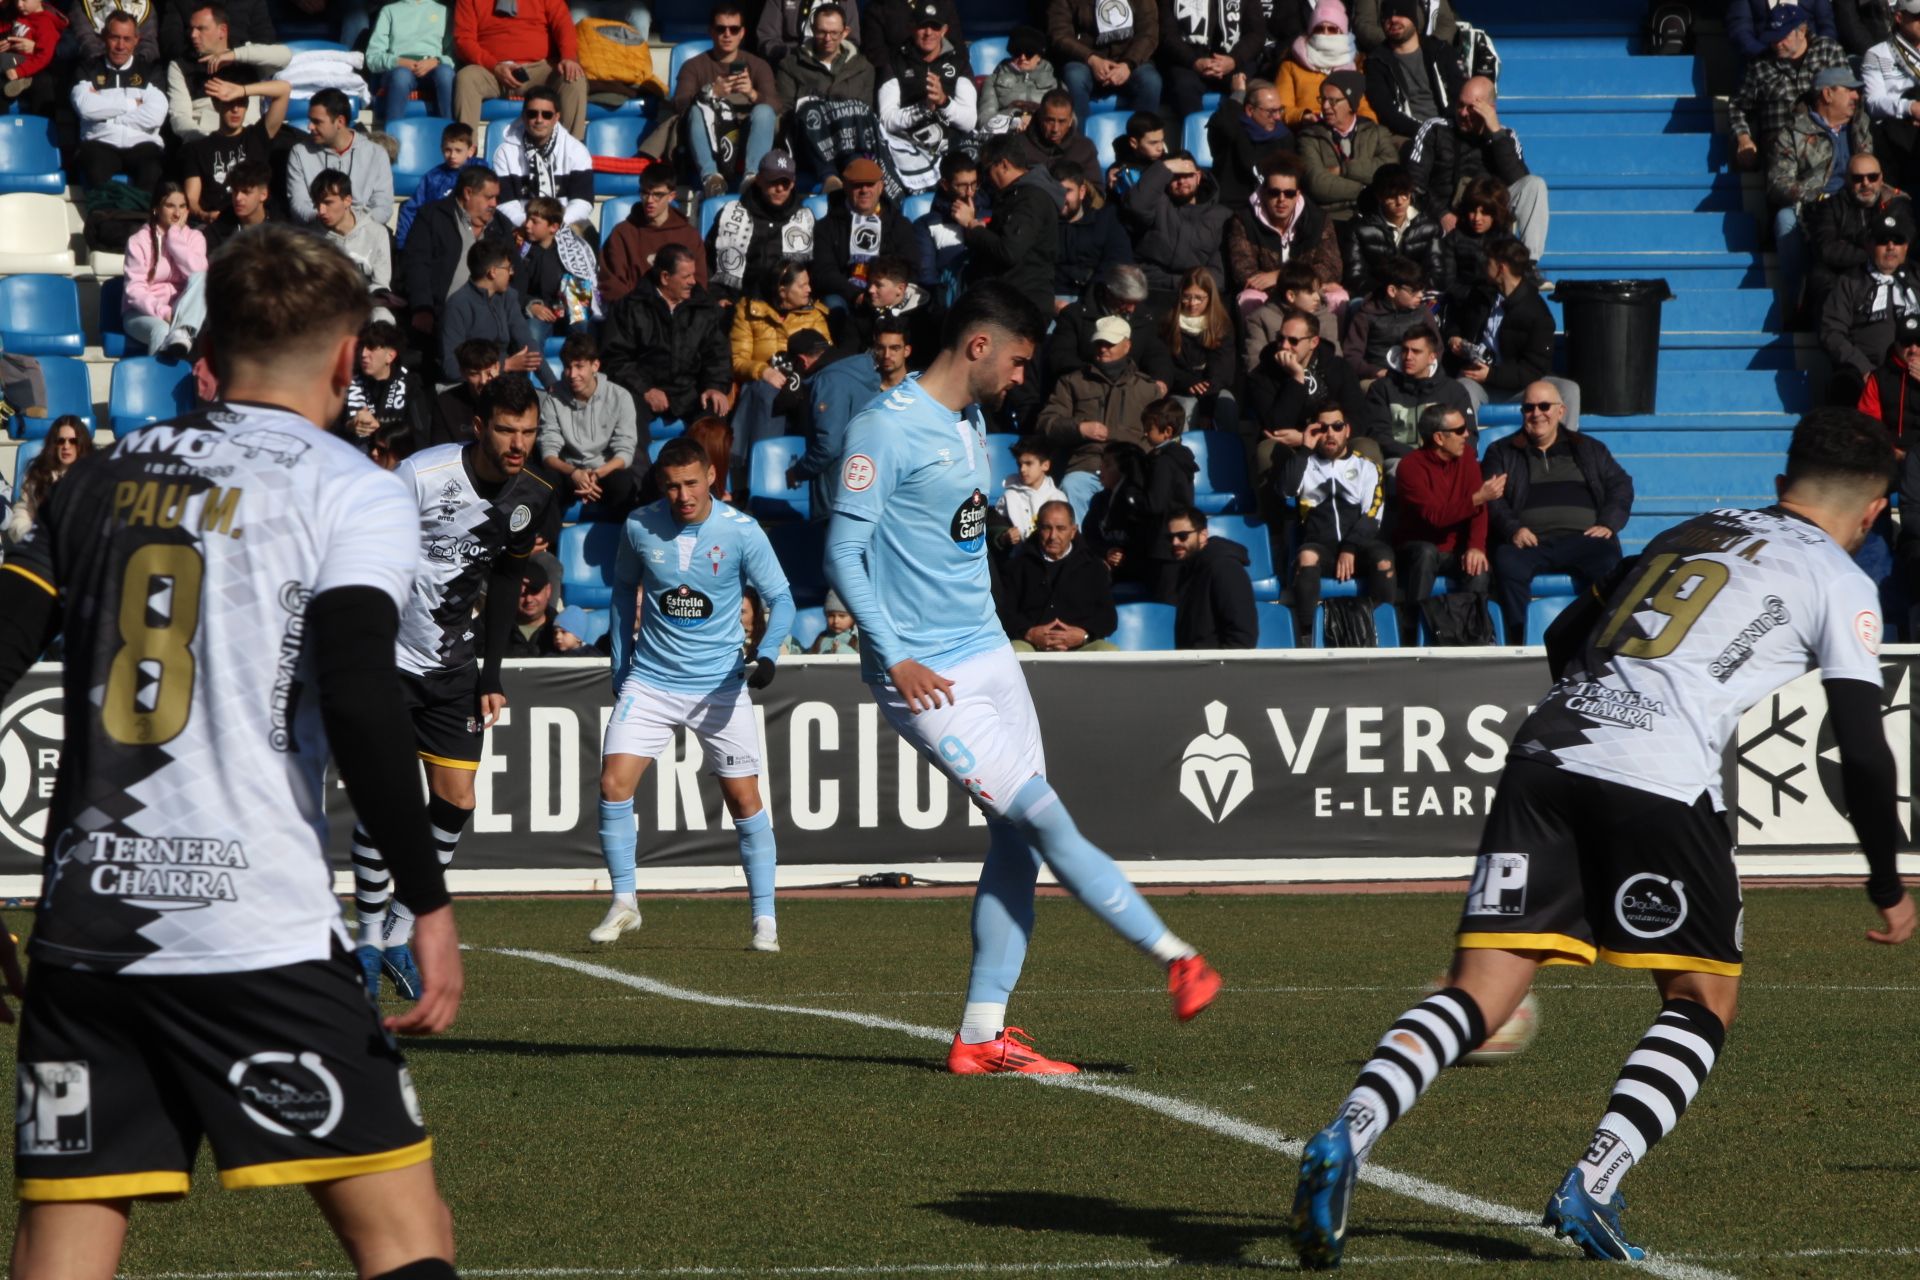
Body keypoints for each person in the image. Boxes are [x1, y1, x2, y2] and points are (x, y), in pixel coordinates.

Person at [1289, 407, 1913, 1268]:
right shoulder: (1840, 580)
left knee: (1480, 991)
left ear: (1781, 483)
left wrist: (1597, 721)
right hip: (1658, 776)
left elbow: (1562, 634)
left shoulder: (1695, 528)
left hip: (1549, 748)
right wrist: (1888, 881)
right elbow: (1864, 749)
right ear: (1875, 510)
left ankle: (1348, 1132)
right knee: (1702, 999)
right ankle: (1595, 1179)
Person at [0, 223, 464, 1279]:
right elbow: (356, 690)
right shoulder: (349, 487)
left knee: (63, 1250)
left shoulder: (86, 482)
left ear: (209, 342)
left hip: (87, 936)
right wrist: (425, 902)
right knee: (409, 1236)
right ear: (349, 357)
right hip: (254, 931)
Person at [823, 280, 1222, 1073]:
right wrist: (895, 654)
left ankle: (979, 1035)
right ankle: (1175, 955)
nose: (1019, 380)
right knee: (1045, 816)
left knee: (1020, 839)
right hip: (927, 674)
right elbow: (840, 552)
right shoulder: (882, 430)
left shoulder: (971, 420)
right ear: (977, 346)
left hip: (988, 653)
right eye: (1015, 362)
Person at [350, 371, 555, 1000]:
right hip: (387, 655)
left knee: (458, 802)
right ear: (478, 425)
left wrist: (492, 674)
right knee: (384, 801)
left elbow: (504, 583)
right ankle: (363, 942)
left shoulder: (532, 493)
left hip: (453, 664)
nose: (517, 443)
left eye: (527, 431)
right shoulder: (420, 474)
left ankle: (395, 933)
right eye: (505, 429)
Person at [590, 437, 794, 949]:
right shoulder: (639, 526)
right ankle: (624, 902)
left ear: (711, 478)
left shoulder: (742, 531)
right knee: (614, 784)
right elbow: (621, 592)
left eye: (691, 483)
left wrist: (767, 653)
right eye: (672, 485)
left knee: (744, 801)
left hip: (719, 686)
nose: (682, 495)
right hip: (652, 682)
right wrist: (621, 662)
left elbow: (781, 598)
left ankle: (764, 919)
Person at [1483, 382, 1633, 642]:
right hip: (1530, 542)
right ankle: (1519, 639)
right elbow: (1493, 500)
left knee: (1609, 561)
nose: (1536, 414)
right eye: (1529, 407)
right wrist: (1513, 529)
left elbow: (1621, 485)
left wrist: (1609, 523)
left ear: (1561, 411)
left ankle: (1602, 641)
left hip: (1583, 540)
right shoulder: (1502, 451)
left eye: (1544, 406)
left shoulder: (1589, 448)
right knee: (1506, 560)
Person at [1278, 402, 1392, 643]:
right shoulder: (1305, 463)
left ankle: (1382, 630)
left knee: (1384, 561)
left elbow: (1373, 516)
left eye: (1337, 426)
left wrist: (1350, 547)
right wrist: (1304, 449)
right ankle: (1307, 634)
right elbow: (1287, 490)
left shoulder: (1367, 466)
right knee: (1306, 556)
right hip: (1321, 547)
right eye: (1322, 428)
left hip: (1359, 548)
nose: (1330, 433)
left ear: (1347, 430)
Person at [1447, 237, 1582, 430]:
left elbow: (1534, 369)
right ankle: (1466, 454)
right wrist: (1454, 338)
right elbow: (1454, 319)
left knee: (1569, 390)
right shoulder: (1479, 293)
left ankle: (1563, 453)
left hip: (1519, 384)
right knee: (1461, 389)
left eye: (1488, 262)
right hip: (1478, 380)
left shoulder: (1537, 313)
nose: (1484, 266)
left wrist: (1492, 375)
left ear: (1501, 268)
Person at [1039, 314, 1163, 523]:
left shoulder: (1148, 389)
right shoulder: (1073, 382)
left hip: (1130, 472)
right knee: (1072, 485)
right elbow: (1047, 424)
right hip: (1085, 466)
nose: (1103, 348)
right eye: (1099, 343)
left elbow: (1159, 437)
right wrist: (1080, 428)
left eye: (1110, 343)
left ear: (1127, 345)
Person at [602, 243, 733, 433]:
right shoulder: (630, 307)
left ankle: (703, 463)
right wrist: (645, 390)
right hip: (643, 392)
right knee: (625, 415)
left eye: (693, 275)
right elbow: (614, 359)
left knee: (716, 413)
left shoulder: (705, 309)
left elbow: (718, 357)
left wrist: (714, 386)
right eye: (686, 276)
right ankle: (636, 464)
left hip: (691, 394)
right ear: (665, 277)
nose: (693, 282)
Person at [1770, 66, 1871, 311]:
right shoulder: (1793, 132)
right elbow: (1778, 181)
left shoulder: (1860, 124)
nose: (1856, 97)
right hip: (1813, 205)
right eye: (1849, 91)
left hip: (1856, 201)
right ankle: (1795, 299)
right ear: (1827, 94)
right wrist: (1815, 197)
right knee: (1785, 221)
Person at [789, 316, 911, 515]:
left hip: (837, 493)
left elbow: (828, 446)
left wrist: (798, 471)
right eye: (881, 347)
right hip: (870, 489)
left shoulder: (829, 380)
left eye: (894, 348)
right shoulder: (862, 376)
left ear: (801, 361)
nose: (887, 355)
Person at [1424, 76, 1550, 261]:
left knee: (1535, 185)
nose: (1463, 113)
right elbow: (1414, 181)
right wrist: (1442, 213)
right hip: (1446, 209)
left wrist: (1496, 135)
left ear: (1490, 109)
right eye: (1460, 105)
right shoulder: (1436, 128)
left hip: (1489, 208)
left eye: (1472, 108)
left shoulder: (1505, 135)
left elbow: (1519, 181)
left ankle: (1527, 266)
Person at [1394, 402, 1495, 623]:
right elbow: (1435, 516)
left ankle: (1471, 631)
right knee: (1426, 552)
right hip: (1416, 548)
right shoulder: (1410, 467)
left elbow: (1479, 511)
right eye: (1459, 431)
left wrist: (1476, 546)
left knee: (1478, 565)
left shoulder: (1466, 456)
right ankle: (1412, 629)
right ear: (1439, 438)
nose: (1467, 434)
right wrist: (1478, 498)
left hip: (1454, 549)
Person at [1247, 305, 1365, 491]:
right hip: (1289, 448)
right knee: (1267, 450)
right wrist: (1296, 379)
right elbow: (1276, 428)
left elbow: (1359, 418)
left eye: (1293, 341)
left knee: (1367, 447)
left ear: (1313, 342)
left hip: (1333, 440)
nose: (1284, 346)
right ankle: (1275, 518)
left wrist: (1308, 438)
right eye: (1280, 338)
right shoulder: (1263, 374)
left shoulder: (1338, 368)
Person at [674, 3, 780, 197]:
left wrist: (752, 93)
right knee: (696, 110)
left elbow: (776, 107)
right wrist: (711, 92)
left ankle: (751, 179)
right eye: (721, 29)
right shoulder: (693, 66)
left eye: (734, 29)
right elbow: (680, 104)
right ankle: (711, 178)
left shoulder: (758, 65)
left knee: (764, 111)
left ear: (742, 33)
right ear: (711, 32)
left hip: (747, 136)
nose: (727, 34)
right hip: (710, 134)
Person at [1730, 6, 1849, 172]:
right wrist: (1744, 139)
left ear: (1802, 31)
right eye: (1772, 39)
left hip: (1827, 149)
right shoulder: (1760, 65)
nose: (1777, 44)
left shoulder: (1828, 52)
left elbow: (1850, 99)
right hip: (1782, 156)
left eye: (1783, 37)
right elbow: (1738, 107)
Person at [956, 132, 1062, 319]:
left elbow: (1009, 251)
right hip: (1010, 301)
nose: (987, 178)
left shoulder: (1030, 198)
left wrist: (973, 226)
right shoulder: (1016, 195)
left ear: (1004, 164)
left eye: (987, 169)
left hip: (1022, 306)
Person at [777, 3, 882, 186]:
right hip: (808, 144)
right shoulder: (790, 65)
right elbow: (785, 114)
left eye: (834, 33)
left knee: (857, 113)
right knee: (809, 110)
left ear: (845, 32)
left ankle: (854, 170)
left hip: (851, 142)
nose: (828, 38)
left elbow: (865, 113)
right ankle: (829, 177)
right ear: (812, 30)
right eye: (822, 32)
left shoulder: (863, 68)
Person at [1819, 209, 1920, 403]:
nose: (1891, 247)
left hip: (1915, 371)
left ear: (1906, 247)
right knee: (1845, 384)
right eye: (1883, 241)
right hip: (1865, 375)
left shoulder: (1917, 279)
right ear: (1869, 245)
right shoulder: (1849, 282)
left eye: (1897, 241)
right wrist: (1862, 367)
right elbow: (1831, 331)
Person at [539, 331, 643, 516]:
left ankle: (620, 538)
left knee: (624, 483)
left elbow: (625, 451)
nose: (572, 374)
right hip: (569, 471)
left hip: (605, 470)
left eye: (579, 366)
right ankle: (550, 542)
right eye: (568, 367)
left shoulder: (620, 397)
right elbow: (548, 453)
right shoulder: (553, 400)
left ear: (595, 365)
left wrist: (597, 474)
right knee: (546, 482)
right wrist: (574, 473)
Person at [452, 0, 587, 142]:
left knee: (573, 77)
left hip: (539, 69)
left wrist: (568, 57)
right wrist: (495, 66)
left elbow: (563, 25)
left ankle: (570, 155)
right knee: (466, 78)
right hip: (491, 72)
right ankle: (465, 154)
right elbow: (464, 40)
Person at [876, 2, 976, 193]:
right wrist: (922, 109)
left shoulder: (959, 62)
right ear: (911, 27)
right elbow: (886, 120)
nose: (928, 33)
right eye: (922, 26)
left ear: (944, 30)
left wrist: (943, 102)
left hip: (952, 145)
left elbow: (969, 121)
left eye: (935, 27)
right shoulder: (895, 62)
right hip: (909, 146)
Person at [1225, 156, 1345, 314]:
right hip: (1268, 295)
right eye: (1274, 193)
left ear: (1297, 194)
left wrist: (1280, 276)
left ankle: (1327, 340)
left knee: (1338, 297)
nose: (1282, 200)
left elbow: (1331, 267)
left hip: (1308, 291)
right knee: (1248, 297)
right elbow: (1245, 273)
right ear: (1263, 192)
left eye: (1289, 193)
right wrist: (1293, 287)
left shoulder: (1318, 219)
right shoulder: (1244, 220)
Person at [405, 166, 517, 331]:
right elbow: (416, 266)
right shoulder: (432, 217)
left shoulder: (501, 225)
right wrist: (422, 308)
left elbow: (517, 272)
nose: (494, 203)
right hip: (440, 315)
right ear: (468, 193)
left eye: (496, 197)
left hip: (490, 317)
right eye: (489, 197)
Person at [999, 499, 1120, 650]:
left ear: (1073, 531)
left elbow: (1108, 617)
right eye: (1046, 528)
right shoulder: (1018, 566)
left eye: (1061, 528)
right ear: (1037, 529)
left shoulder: (1094, 567)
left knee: (1108, 652)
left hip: (1080, 647)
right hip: (1031, 644)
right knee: (1016, 653)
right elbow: (1005, 613)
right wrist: (1029, 633)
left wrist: (1083, 634)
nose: (1053, 536)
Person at [70, 11, 166, 194]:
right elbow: (86, 108)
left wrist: (108, 117)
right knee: (94, 168)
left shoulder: (151, 70)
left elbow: (155, 116)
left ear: (137, 40)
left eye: (127, 39)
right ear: (104, 37)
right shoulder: (87, 68)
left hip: (142, 145)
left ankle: (140, 220)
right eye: (115, 38)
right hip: (100, 143)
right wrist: (132, 104)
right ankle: (106, 221)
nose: (121, 46)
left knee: (153, 169)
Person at [165, 1, 289, 143]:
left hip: (248, 140)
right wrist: (209, 142)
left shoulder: (245, 57)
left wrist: (233, 55)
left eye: (201, 29)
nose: (193, 35)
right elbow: (180, 118)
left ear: (222, 31)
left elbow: (285, 57)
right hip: (206, 142)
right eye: (192, 29)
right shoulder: (181, 66)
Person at [1806, 153, 1912, 312]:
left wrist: (1857, 248)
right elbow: (1827, 249)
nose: (1866, 183)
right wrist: (1873, 254)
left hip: (1889, 274)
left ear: (1881, 178)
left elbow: (1905, 245)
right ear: (1847, 179)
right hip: (1844, 276)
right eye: (1858, 178)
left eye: (1872, 177)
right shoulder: (1831, 206)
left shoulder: (1897, 205)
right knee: (1822, 278)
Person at [706, 149, 815, 301]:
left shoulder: (806, 219)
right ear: (759, 179)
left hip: (789, 307)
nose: (779, 189)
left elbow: (815, 271)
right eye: (773, 181)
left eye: (785, 182)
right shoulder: (730, 214)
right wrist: (718, 297)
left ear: (793, 184)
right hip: (738, 306)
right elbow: (708, 262)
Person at [182, 71, 289, 225]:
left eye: (241, 103)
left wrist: (242, 90)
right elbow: (192, 199)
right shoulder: (197, 149)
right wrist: (204, 215)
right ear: (216, 105)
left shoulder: (257, 136)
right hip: (220, 224)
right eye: (229, 103)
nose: (236, 110)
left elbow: (284, 89)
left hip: (259, 223)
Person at [1359, 321, 1473, 465]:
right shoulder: (1381, 389)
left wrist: (1439, 458)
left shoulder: (1454, 391)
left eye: (1416, 351)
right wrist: (1420, 458)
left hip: (1444, 462)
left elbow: (1469, 436)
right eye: (1405, 350)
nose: (1408, 357)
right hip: (1400, 460)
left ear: (1432, 357)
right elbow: (1379, 435)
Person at [1296, 69, 1400, 226]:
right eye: (1322, 99)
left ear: (1351, 104)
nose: (1324, 106)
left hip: (1375, 216)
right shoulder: (1310, 137)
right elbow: (1317, 183)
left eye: (1332, 101)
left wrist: (1344, 170)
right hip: (1330, 219)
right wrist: (1368, 190)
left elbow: (1390, 170)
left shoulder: (1377, 133)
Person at [1129, 151, 1234, 298]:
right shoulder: (1157, 204)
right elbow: (1137, 205)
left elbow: (1218, 276)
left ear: (1198, 177)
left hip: (1197, 296)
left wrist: (1188, 286)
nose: (1182, 182)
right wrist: (1163, 167)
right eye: (1175, 176)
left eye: (1187, 175)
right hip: (1151, 289)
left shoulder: (1222, 216)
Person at [1050, 261, 1176, 384]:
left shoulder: (1144, 317)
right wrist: (1092, 377)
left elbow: (1157, 355)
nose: (1131, 309)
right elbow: (1060, 355)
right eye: (1125, 301)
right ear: (1109, 292)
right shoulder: (1075, 315)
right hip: (1085, 387)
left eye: (1136, 303)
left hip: (1129, 389)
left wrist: (1161, 380)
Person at [287, 88, 396, 229]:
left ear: (340, 121)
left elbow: (383, 206)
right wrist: (329, 219)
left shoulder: (376, 153)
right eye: (310, 120)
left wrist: (352, 225)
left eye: (317, 122)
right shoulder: (300, 153)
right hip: (318, 232)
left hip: (364, 231)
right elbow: (299, 205)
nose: (310, 127)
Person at [439, 240, 544, 387]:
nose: (512, 272)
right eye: (508, 268)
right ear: (493, 272)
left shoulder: (507, 296)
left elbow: (526, 342)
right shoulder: (457, 306)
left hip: (505, 383)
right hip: (472, 388)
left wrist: (552, 384)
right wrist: (505, 365)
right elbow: (450, 367)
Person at [814, 157, 916, 306]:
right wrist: (855, 294)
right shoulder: (826, 226)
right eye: (858, 185)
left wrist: (884, 292)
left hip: (887, 296)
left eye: (870, 184)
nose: (864, 190)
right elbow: (824, 271)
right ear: (846, 187)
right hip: (845, 296)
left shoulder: (899, 225)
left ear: (881, 187)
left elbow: (911, 266)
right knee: (834, 304)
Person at [489, 85, 594, 229]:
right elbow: (505, 203)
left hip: (562, 226)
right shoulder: (504, 152)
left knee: (588, 231)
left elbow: (583, 201)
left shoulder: (576, 150)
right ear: (524, 116)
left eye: (546, 115)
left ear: (556, 117)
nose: (539, 120)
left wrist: (555, 225)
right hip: (522, 227)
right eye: (532, 114)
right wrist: (529, 225)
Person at [122, 184, 207, 356]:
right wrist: (164, 312)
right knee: (161, 330)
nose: (177, 213)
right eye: (170, 206)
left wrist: (175, 238)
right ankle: (158, 381)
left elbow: (198, 275)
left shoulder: (195, 238)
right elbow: (134, 290)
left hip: (183, 312)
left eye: (182, 206)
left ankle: (182, 333)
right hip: (142, 312)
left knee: (205, 278)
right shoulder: (138, 241)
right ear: (156, 209)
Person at [602, 167, 707, 306]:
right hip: (634, 315)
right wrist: (638, 310)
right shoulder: (623, 233)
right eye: (645, 193)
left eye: (658, 194)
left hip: (678, 316)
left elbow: (698, 283)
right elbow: (611, 282)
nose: (650, 200)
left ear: (671, 196)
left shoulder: (689, 235)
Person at [1362, 0, 1463, 143]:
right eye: (1387, 16)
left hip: (1449, 127)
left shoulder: (1440, 51)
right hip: (1407, 135)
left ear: (1414, 19)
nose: (1393, 20)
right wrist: (1425, 132)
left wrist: (1446, 129)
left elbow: (1459, 93)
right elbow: (1387, 113)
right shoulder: (1376, 63)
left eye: (1401, 14)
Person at [1048, 0, 1163, 124]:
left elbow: (1148, 33)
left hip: (1129, 62)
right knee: (1074, 77)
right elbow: (1059, 35)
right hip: (1086, 61)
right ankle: (1079, 139)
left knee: (1151, 81)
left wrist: (1128, 64)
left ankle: (1143, 136)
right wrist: (1091, 58)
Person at [1345, 163, 1448, 297]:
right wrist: (1391, 295)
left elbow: (1437, 272)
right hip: (1377, 299)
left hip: (1418, 297)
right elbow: (1355, 277)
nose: (1400, 202)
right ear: (1379, 196)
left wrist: (1412, 293)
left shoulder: (1429, 226)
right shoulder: (1359, 229)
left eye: (1404, 194)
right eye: (1391, 196)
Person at [1160, 266, 1239, 434]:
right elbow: (1164, 363)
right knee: (1186, 408)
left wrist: (1206, 403)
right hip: (1181, 387)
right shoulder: (1168, 323)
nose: (1192, 303)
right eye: (1187, 297)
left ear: (1210, 298)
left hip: (1213, 388)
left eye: (1199, 298)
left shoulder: (1221, 326)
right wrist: (1188, 382)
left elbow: (1223, 369)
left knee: (1226, 404)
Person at [312, 171, 397, 324]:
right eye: (317, 204)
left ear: (347, 201)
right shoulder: (310, 237)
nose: (321, 210)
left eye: (328, 202)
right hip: (324, 309)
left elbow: (381, 283)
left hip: (366, 305)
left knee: (384, 319)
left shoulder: (377, 232)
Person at [1159, 0, 1267, 121]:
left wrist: (1234, 60)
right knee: (1183, 88)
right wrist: (1194, 61)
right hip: (1188, 63)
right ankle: (1198, 136)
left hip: (1233, 60)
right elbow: (1167, 34)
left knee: (1251, 89)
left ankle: (1238, 136)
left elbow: (1256, 34)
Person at [731, 259, 833, 385]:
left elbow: (827, 357)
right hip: (761, 385)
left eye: (808, 283)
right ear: (783, 292)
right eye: (802, 286)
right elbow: (737, 360)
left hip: (803, 386)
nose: (809, 289)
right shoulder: (748, 312)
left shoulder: (814, 315)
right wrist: (763, 371)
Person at [516, 195, 599, 348]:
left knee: (583, 325)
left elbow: (585, 280)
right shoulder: (522, 251)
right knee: (532, 333)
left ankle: (580, 367)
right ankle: (535, 372)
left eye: (534, 222)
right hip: (539, 311)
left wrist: (578, 298)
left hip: (569, 309)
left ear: (553, 227)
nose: (527, 225)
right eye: (527, 219)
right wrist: (531, 305)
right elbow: (514, 288)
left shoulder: (573, 250)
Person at [1169, 504, 1257, 647]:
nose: (1175, 542)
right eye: (1170, 537)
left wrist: (1219, 668)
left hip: (1216, 667)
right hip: (1194, 666)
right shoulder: (1188, 570)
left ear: (1203, 535)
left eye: (1182, 536)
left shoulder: (1225, 568)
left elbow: (1242, 636)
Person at [1053, 157, 1136, 305]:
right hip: (1051, 300)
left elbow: (1118, 262)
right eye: (1056, 191)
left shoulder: (1106, 219)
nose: (1061, 198)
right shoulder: (1042, 221)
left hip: (1095, 301)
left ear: (1082, 191)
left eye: (1067, 191)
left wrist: (1088, 301)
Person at [1276, 0, 1372, 127]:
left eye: (1332, 29)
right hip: (1308, 131)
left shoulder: (1356, 64)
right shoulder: (1291, 66)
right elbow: (1280, 108)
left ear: (1342, 33)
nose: (1325, 33)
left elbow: (1365, 109)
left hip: (1348, 133)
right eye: (1319, 28)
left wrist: (1360, 127)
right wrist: (1302, 115)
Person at [1203, 80, 1294, 211]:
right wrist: (1238, 94)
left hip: (1271, 208)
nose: (1278, 117)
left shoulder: (1284, 136)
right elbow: (1222, 124)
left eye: (1280, 110)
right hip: (1233, 207)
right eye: (1271, 111)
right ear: (1250, 110)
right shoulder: (1232, 131)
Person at [1344, 252, 1435, 380]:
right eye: (1414, 291)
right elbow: (1352, 356)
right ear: (1392, 291)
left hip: (1419, 377)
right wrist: (1376, 372)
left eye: (1422, 290)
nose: (1420, 295)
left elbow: (1436, 349)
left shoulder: (1423, 313)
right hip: (1379, 379)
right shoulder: (1367, 314)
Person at [342, 319, 429, 453]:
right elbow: (330, 428)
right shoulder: (347, 381)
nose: (364, 354)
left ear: (390, 356)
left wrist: (382, 427)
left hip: (397, 458)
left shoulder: (410, 385)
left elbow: (420, 434)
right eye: (362, 347)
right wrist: (352, 425)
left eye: (371, 347)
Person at [2, 414, 89, 546]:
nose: (66, 446)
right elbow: (22, 513)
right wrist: (30, 537)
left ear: (81, 444)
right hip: (43, 549)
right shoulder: (38, 475)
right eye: (61, 441)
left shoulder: (94, 476)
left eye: (73, 441)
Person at [1862, 0, 1920, 191]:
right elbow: (1873, 102)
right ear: (1899, 17)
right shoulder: (1877, 54)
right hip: (1898, 129)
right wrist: (1909, 107)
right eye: (1917, 17)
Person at [366, 0, 455, 121]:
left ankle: (450, 132)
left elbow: (453, 56)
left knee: (445, 74)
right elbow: (372, 57)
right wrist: (398, 62)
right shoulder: (389, 11)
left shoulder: (444, 11)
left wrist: (436, 61)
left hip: (432, 67)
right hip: (398, 69)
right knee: (401, 76)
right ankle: (392, 136)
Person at [397, 122, 481, 249]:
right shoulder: (432, 177)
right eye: (448, 150)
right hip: (436, 239)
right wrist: (403, 245)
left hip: (471, 240)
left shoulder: (481, 173)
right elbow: (412, 209)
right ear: (442, 148)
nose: (452, 156)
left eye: (458, 150)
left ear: (471, 151)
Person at [849, 253, 942, 362]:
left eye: (878, 285)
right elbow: (849, 347)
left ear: (900, 289)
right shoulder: (862, 310)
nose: (871, 290)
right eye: (870, 283)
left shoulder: (924, 319)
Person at [1438, 175, 1510, 309]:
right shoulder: (1453, 239)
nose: (1477, 218)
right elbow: (1447, 283)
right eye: (1473, 211)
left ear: (1496, 213)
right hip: (1465, 309)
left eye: (1484, 213)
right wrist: (1476, 296)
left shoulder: (1506, 240)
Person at [978, 23, 1057, 133]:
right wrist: (1015, 120)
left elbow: (1070, 120)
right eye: (1017, 53)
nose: (1022, 58)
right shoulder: (993, 80)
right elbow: (985, 119)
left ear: (1039, 56)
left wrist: (1035, 121)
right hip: (1006, 135)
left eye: (1029, 53)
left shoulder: (1055, 83)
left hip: (1043, 134)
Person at [995, 434, 1068, 548]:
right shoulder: (1009, 497)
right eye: (1019, 464)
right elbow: (996, 530)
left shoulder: (1058, 498)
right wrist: (1004, 537)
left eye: (1028, 463)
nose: (1022, 469)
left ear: (1045, 465)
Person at [864, 0, 967, 81]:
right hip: (900, 83)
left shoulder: (943, 3)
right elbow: (877, 58)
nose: (928, 32)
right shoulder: (878, 7)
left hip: (943, 79)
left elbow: (959, 50)